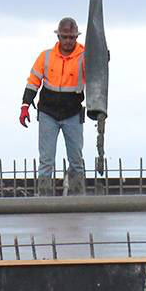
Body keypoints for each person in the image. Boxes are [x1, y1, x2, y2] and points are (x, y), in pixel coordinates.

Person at [20, 17, 86, 195]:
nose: (68, 41)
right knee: (46, 159)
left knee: (76, 159)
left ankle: (77, 197)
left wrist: (101, 58)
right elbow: (33, 81)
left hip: (72, 113)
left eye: (71, 37)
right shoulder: (46, 56)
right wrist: (25, 105)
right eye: (65, 37)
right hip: (48, 113)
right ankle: (45, 197)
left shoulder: (85, 56)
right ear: (58, 37)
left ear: (76, 38)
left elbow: (97, 73)